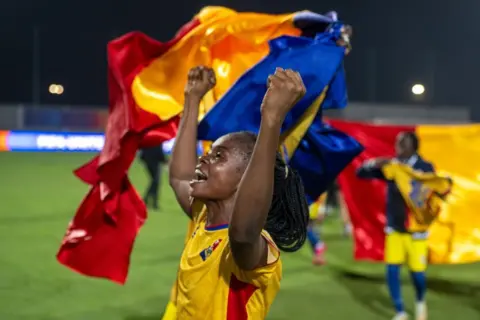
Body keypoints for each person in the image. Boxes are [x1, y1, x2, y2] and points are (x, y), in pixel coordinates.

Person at [168, 65, 309, 319]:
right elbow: (179, 176)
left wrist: (272, 118)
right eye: (208, 154)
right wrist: (192, 99)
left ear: (245, 178)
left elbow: (243, 234)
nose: (203, 159)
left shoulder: (253, 248)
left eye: (218, 156)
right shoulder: (204, 219)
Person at [357, 131, 433, 320]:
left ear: (413, 147)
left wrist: (412, 180)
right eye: (398, 144)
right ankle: (400, 311)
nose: (398, 148)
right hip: (394, 228)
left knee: (418, 274)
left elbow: (431, 193)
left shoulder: (425, 167)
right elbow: (361, 173)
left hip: (416, 231)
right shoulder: (393, 165)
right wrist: (375, 162)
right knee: (392, 269)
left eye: (402, 144)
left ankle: (420, 300)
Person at [139, 144, 166, 209]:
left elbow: (143, 148)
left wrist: (143, 157)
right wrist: (164, 160)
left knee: (154, 181)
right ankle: (149, 200)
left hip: (147, 160)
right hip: (155, 161)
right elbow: (159, 151)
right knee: (156, 181)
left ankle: (151, 201)